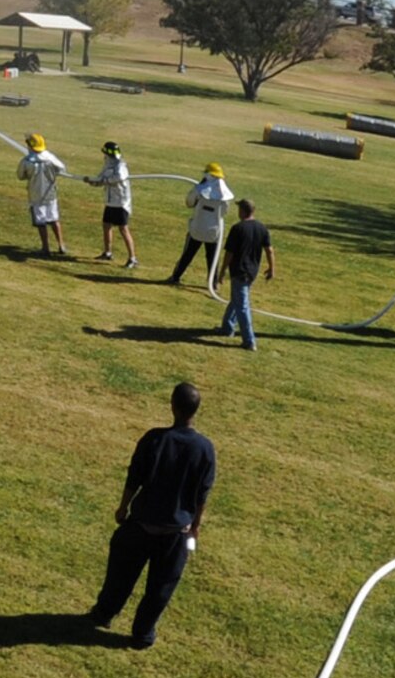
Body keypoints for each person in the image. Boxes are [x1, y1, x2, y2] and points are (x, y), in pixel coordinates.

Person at [89, 383, 215, 650]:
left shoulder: (155, 439)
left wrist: (123, 507)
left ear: (173, 406)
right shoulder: (205, 449)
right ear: (196, 410)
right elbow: (202, 494)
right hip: (176, 532)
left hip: (142, 524)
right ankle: (142, 634)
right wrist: (195, 527)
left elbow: (134, 477)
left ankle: (104, 613)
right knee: (160, 588)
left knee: (120, 575)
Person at [213, 199, 275, 350]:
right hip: (252, 271)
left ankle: (249, 340)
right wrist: (271, 268)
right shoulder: (262, 228)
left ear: (242, 211)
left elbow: (230, 253)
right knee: (237, 299)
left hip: (239, 271)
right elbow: (269, 250)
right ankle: (227, 328)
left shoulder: (237, 228)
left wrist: (222, 271)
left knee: (242, 306)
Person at [167, 163, 232, 286]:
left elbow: (189, 202)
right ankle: (213, 283)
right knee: (212, 259)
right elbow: (224, 212)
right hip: (214, 231)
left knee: (187, 254)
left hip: (197, 228)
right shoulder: (225, 196)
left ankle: (175, 277)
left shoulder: (199, 190)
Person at [84, 141, 137, 268]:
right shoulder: (107, 164)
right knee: (106, 225)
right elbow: (101, 178)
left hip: (120, 203)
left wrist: (104, 181)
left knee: (123, 229)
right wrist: (92, 181)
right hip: (110, 202)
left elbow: (119, 178)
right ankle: (107, 252)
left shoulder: (120, 165)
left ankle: (132, 258)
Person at [17, 133, 69, 256]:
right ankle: (61, 245)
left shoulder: (27, 161)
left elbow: (20, 175)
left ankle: (45, 247)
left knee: (41, 222)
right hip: (51, 194)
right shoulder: (50, 158)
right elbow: (62, 168)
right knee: (54, 219)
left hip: (35, 195)